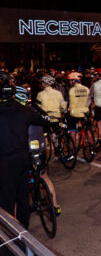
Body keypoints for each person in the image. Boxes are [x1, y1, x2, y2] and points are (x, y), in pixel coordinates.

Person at [0, 79, 49, 228]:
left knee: (6, 200)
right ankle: (24, 231)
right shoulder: (25, 111)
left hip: (3, 162)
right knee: (23, 198)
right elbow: (44, 121)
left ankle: (10, 234)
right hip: (22, 159)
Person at [15, 86, 61, 216]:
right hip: (39, 147)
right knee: (44, 176)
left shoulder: (15, 110)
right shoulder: (34, 108)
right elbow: (46, 120)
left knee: (19, 179)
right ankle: (55, 206)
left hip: (24, 149)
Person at [67, 71, 91, 145]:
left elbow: (70, 103)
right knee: (87, 129)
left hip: (74, 113)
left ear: (74, 80)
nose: (69, 82)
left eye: (70, 80)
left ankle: (72, 149)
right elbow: (89, 101)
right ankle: (91, 145)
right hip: (84, 112)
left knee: (72, 130)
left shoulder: (71, 90)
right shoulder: (87, 89)